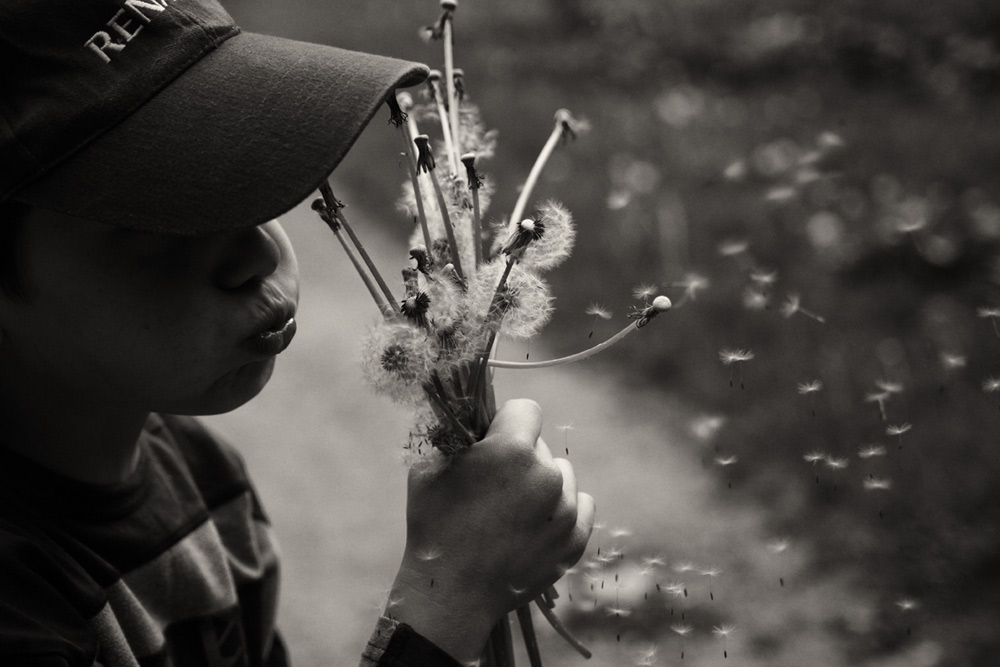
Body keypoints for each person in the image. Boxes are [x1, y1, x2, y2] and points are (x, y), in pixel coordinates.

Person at [0, 1, 595, 665]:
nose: (257, 252)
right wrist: (447, 595)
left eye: (240, 178)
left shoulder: (203, 477)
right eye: (152, 225)